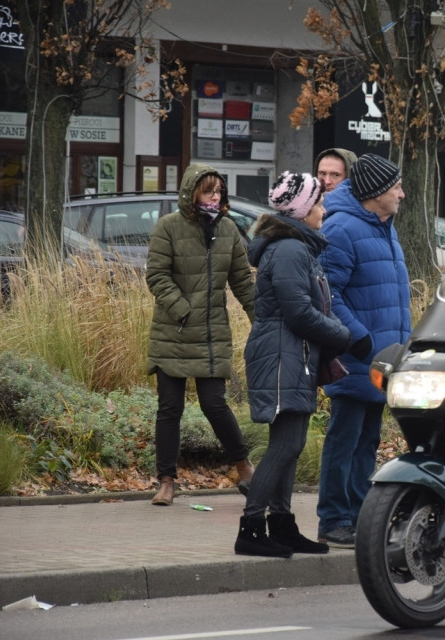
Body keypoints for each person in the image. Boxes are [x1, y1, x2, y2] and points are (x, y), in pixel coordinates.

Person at [235, 172, 352, 558]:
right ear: (301, 211)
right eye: (318, 203)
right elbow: (299, 312)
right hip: (284, 354)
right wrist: (342, 335)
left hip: (292, 354)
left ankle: (281, 525)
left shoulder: (298, 246)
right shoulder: (289, 249)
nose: (323, 209)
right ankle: (251, 528)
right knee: (286, 445)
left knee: (290, 444)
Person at [145, 164, 256, 506]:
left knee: (214, 404)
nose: (215, 197)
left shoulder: (227, 231)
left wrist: (262, 322)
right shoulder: (169, 227)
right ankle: (166, 481)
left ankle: (244, 467)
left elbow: (242, 282)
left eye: (219, 191)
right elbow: (156, 275)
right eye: (209, 191)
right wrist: (182, 309)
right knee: (170, 408)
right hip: (173, 331)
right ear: (192, 193)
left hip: (211, 335)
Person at [316, 153, 412, 548]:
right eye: (396, 188)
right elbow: (327, 292)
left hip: (383, 358)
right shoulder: (342, 228)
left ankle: (358, 516)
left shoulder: (382, 225)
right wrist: (359, 338)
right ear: (375, 194)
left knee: (367, 440)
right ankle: (334, 519)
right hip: (357, 355)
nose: (402, 194)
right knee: (345, 439)